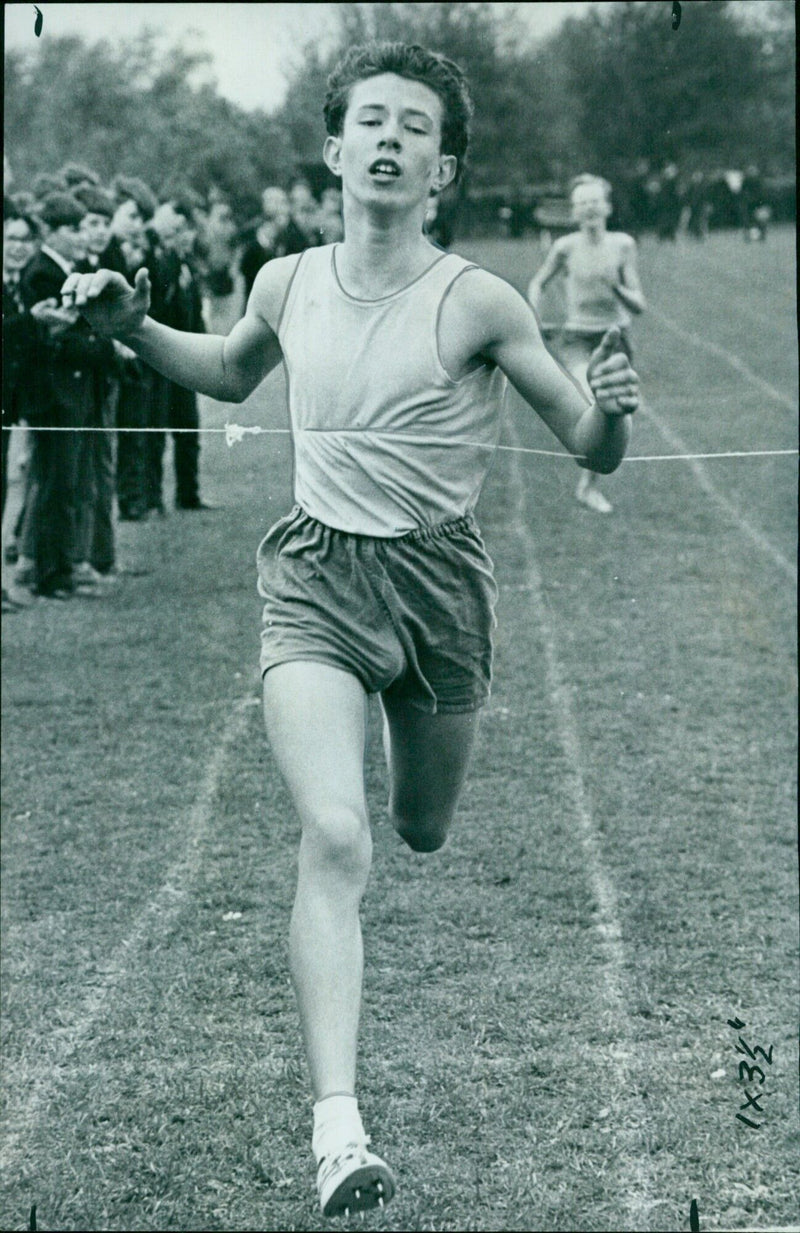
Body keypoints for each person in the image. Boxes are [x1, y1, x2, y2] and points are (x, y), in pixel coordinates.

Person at [62, 40, 639, 1218]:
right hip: (316, 579)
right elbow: (225, 373)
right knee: (335, 837)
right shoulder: (285, 280)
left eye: (414, 127)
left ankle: (389, 737)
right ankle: (339, 1130)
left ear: (444, 169)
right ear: (334, 150)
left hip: (438, 593)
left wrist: (616, 416)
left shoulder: (477, 298)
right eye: (368, 120)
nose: (388, 139)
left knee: (417, 828)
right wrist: (129, 327)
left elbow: (584, 443)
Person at [528, 173, 646, 514]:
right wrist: (536, 321)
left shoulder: (623, 245)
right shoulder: (564, 247)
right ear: (574, 213)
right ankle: (589, 487)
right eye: (582, 204)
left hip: (616, 338)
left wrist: (618, 289)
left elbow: (639, 304)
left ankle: (587, 486)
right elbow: (538, 284)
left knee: (615, 416)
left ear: (607, 207)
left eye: (595, 202)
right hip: (578, 337)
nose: (589, 209)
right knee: (595, 399)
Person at [147, 197, 210, 513]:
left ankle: (189, 494)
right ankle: (154, 497)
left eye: (186, 232)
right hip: (163, 357)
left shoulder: (188, 266)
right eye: (176, 233)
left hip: (187, 356)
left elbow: (195, 315)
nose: (185, 238)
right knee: (158, 430)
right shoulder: (163, 265)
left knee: (188, 429)